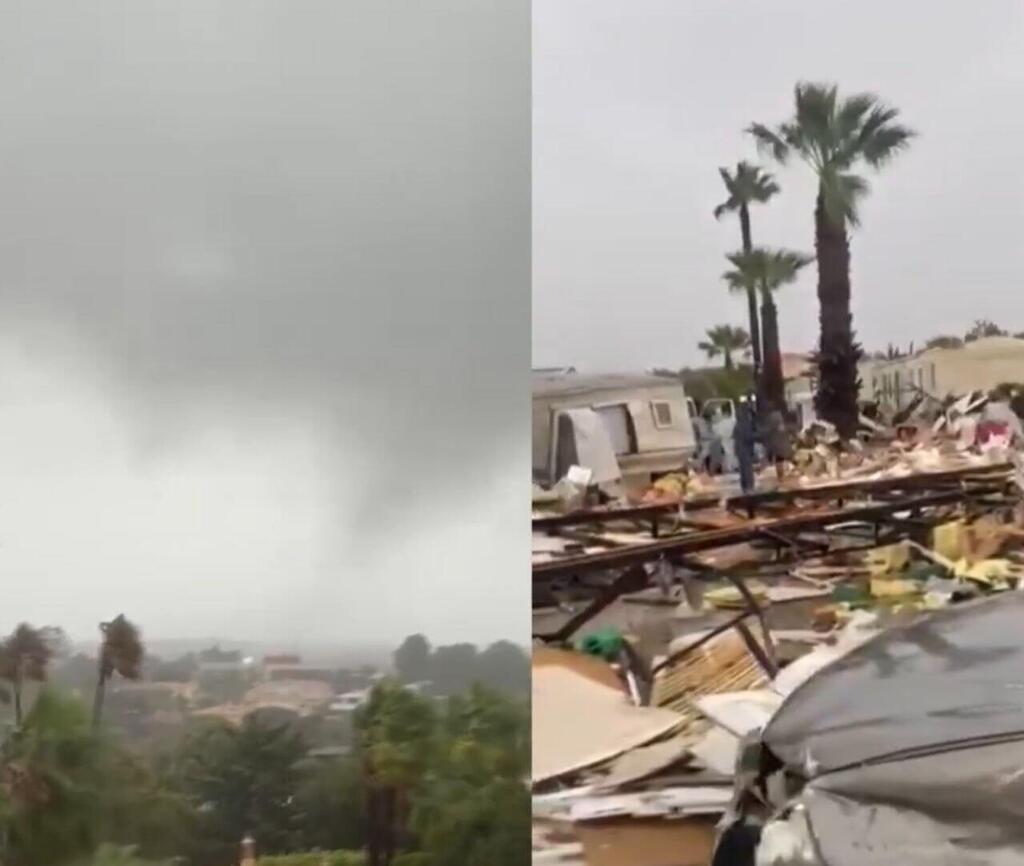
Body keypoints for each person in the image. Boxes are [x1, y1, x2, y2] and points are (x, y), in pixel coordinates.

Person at [733, 397, 756, 494]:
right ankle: (749, 487)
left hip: (740, 448)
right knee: (747, 469)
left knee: (744, 469)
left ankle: (745, 487)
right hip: (745, 448)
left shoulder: (739, 423)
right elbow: (749, 436)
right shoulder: (745, 422)